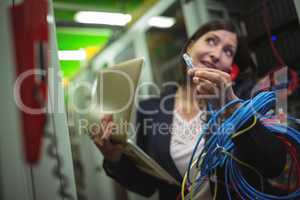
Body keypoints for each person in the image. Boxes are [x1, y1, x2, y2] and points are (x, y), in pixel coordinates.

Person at [92, 20, 287, 199]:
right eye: (211, 41)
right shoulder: (150, 109)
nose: (217, 54)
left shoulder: (246, 101)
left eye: (228, 51)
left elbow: (273, 165)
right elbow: (147, 186)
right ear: (189, 47)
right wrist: (114, 158)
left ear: (231, 69)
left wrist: (232, 106)